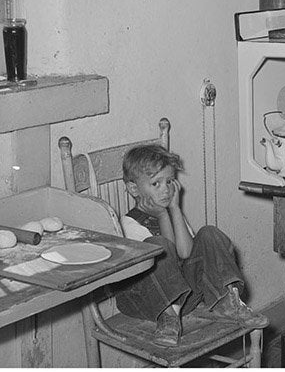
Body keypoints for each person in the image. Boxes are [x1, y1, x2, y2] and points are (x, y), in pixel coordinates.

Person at [112, 144, 267, 347]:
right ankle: (168, 318)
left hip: (184, 299)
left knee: (209, 233)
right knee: (157, 245)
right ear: (133, 188)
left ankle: (225, 301)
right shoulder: (128, 224)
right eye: (156, 184)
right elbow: (169, 258)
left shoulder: (171, 210)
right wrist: (162, 215)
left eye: (169, 181)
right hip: (148, 302)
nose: (166, 190)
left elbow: (185, 253)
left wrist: (174, 209)